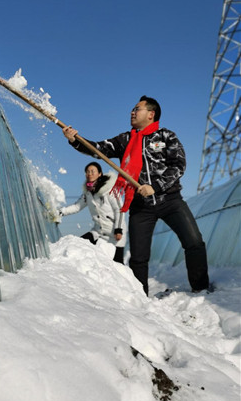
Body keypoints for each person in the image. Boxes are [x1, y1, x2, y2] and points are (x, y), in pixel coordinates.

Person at [62, 95, 210, 296]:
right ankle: (141, 299)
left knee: (194, 242)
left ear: (151, 114)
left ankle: (200, 288)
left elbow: (179, 165)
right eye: (132, 109)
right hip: (141, 207)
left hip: (170, 200)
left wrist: (155, 186)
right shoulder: (125, 140)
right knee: (139, 257)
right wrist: (75, 140)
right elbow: (99, 149)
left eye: (137, 109)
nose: (132, 112)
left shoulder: (166, 136)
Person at [57, 162, 126, 264]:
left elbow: (119, 209)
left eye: (93, 171)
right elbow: (77, 207)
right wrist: (60, 212)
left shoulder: (110, 190)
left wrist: (118, 229)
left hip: (115, 234)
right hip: (98, 232)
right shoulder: (88, 193)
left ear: (99, 174)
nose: (90, 174)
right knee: (78, 245)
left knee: (117, 264)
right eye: (87, 172)